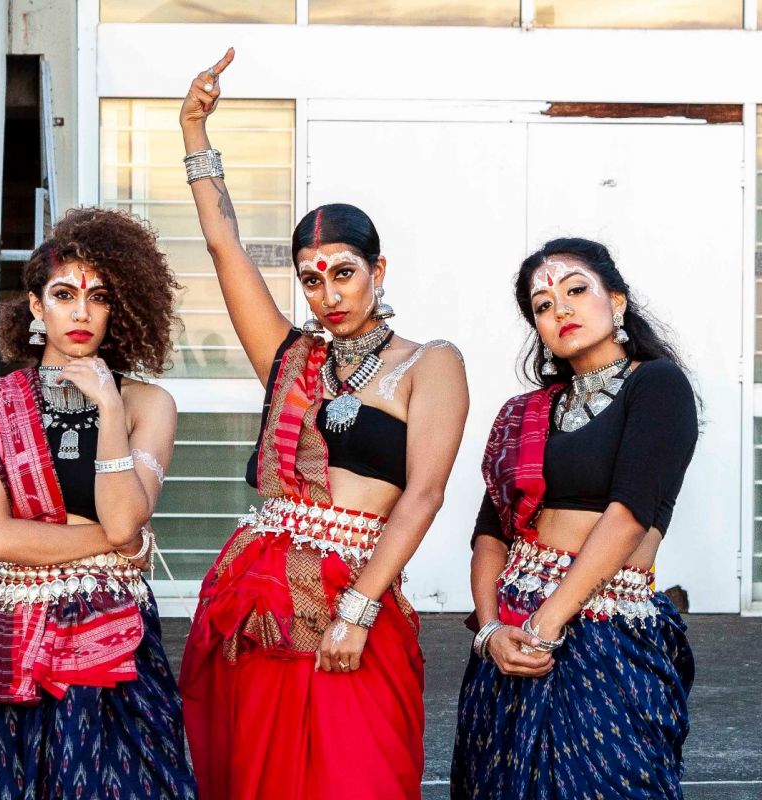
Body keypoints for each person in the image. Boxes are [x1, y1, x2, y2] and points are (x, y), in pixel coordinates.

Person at [178, 49, 469, 800]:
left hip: (356, 595)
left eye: (344, 271)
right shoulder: (292, 357)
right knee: (259, 777)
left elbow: (424, 496)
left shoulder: (429, 364)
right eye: (312, 278)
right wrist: (192, 132)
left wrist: (359, 610)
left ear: (379, 270)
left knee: (359, 774)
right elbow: (223, 248)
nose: (328, 292)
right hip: (261, 603)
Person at [0, 207, 198, 800]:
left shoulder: (144, 405)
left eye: (98, 296)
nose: (81, 312)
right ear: (35, 306)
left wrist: (106, 403)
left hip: (111, 638)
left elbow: (127, 514)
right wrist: (114, 542)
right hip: (7, 633)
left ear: (116, 308)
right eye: (63, 294)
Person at [452, 237, 698, 799]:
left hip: (605, 630)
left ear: (616, 300)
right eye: (542, 305)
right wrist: (491, 631)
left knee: (607, 781)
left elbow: (630, 514)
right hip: (512, 632)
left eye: (575, 290)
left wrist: (547, 626)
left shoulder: (656, 384)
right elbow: (491, 532)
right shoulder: (526, 413)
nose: (560, 309)